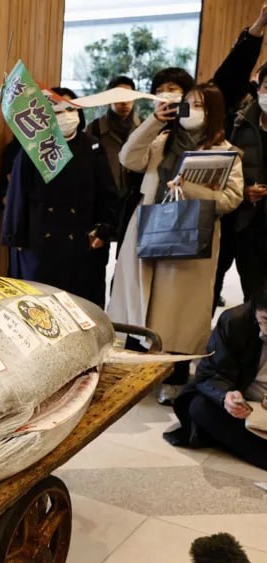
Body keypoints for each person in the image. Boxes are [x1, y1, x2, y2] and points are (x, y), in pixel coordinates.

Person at [107, 82, 244, 404]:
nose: (191, 112)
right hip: (149, 227)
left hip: (190, 235)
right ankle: (133, 374)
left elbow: (231, 199)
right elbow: (129, 159)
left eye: (200, 106)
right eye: (187, 104)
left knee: (178, 312)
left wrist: (192, 189)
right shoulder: (162, 141)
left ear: (213, 114)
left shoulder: (227, 153)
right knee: (139, 304)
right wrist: (154, 120)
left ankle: (175, 375)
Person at [2, 87, 119, 307]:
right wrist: (15, 238)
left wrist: (104, 229)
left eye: (71, 108)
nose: (66, 115)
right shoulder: (31, 148)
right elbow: (17, 196)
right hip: (40, 242)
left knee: (80, 304)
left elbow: (107, 193)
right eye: (58, 111)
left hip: (81, 239)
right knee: (38, 304)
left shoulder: (92, 146)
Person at [162, 288, 267, 472]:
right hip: (244, 401)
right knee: (200, 407)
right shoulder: (236, 322)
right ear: (255, 310)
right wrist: (225, 396)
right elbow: (210, 373)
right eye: (265, 320)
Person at [214, 4, 267, 310]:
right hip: (230, 216)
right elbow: (228, 78)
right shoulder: (237, 113)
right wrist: (258, 26)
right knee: (207, 290)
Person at [86, 75, 143, 249]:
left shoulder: (144, 128)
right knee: (96, 255)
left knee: (129, 254)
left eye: (129, 96)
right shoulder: (95, 128)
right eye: (118, 96)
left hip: (133, 199)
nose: (124, 102)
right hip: (103, 200)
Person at [227, 63, 267, 305]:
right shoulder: (239, 124)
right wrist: (243, 192)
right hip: (248, 222)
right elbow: (226, 170)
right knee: (253, 294)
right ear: (259, 89)